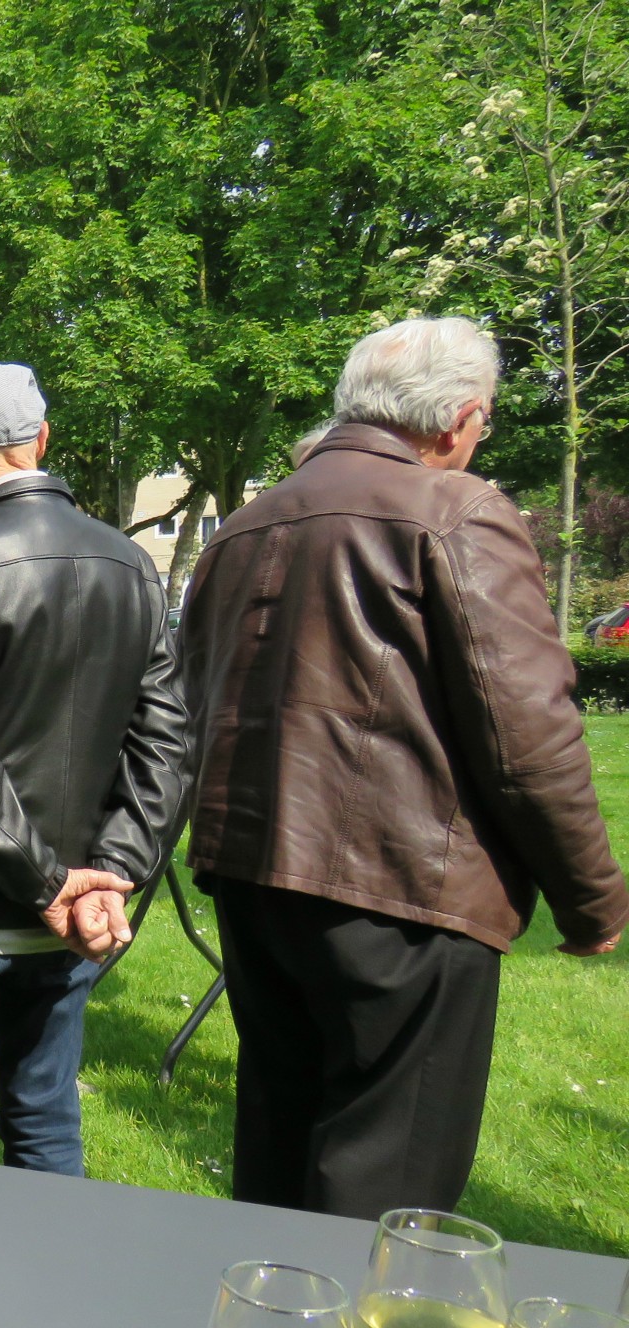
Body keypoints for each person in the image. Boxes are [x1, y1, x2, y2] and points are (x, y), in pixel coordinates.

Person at [180, 317, 627, 1217]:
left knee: (279, 1137)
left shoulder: (246, 524)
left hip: (255, 876)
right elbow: (526, 731)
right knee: (389, 1176)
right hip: (402, 886)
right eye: (486, 421)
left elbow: (193, 700)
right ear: (460, 418)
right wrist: (593, 901)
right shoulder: (457, 510)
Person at [0, 363, 191, 1170]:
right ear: (42, 440)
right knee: (46, 1120)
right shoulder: (129, 562)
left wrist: (56, 882)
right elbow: (166, 739)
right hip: (73, 901)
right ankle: (53, 1291)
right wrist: (109, 873)